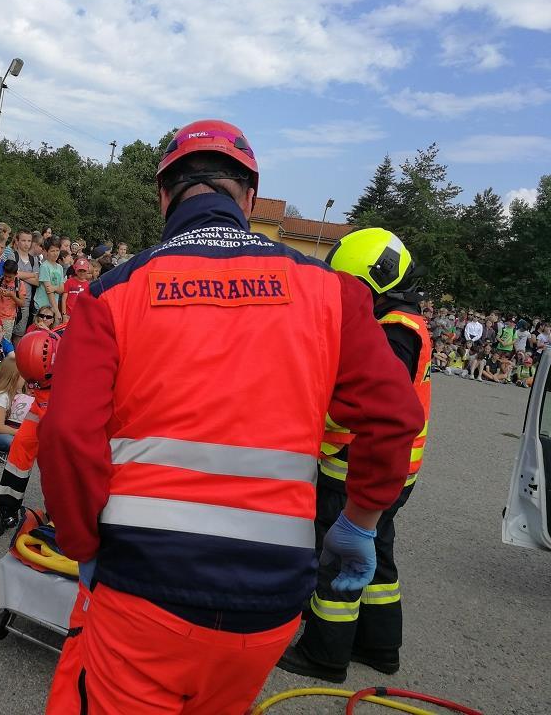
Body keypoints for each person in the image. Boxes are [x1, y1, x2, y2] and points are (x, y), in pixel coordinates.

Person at [37, 119, 423, 714]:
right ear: (247, 197)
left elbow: (65, 434)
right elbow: (396, 413)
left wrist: (84, 545)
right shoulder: (327, 291)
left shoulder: (114, 292)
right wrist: (360, 522)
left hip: (142, 588)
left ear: (164, 197)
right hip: (269, 603)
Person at [278, 227, 433, 683]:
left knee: (336, 555)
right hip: (393, 468)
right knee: (378, 557)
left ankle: (325, 653)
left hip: (356, 467)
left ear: (377, 281)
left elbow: (372, 405)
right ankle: (380, 646)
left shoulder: (391, 333)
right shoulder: (407, 322)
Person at [0, 328, 61, 537]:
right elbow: (19, 355)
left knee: (61, 459)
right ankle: (6, 510)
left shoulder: (84, 360)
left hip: (68, 401)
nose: (31, 387)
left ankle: (61, 515)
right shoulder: (49, 340)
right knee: (20, 448)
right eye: (30, 382)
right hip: (42, 403)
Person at [35, 238, 65, 325]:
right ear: (46, 251)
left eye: (57, 250)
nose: (55, 253)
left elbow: (62, 289)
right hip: (43, 306)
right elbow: (49, 291)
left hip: (53, 306)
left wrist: (54, 288)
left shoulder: (60, 267)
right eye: (52, 251)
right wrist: (56, 310)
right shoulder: (45, 266)